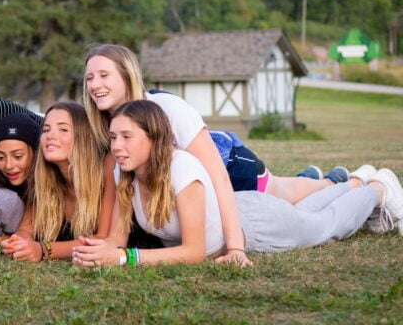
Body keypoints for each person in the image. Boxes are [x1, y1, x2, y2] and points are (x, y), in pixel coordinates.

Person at [82, 43, 340, 264]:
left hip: (230, 165)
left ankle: (331, 182)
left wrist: (236, 246)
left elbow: (218, 178)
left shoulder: (168, 108)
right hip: (193, 189)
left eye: (104, 75)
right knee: (286, 196)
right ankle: (314, 178)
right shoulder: (107, 124)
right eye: (90, 78)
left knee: (284, 195)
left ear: (127, 76)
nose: (95, 84)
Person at [72, 100, 403, 268]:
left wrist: (126, 259)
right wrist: (97, 253)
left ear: (153, 137)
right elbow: (116, 239)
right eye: (114, 137)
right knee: (307, 212)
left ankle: (377, 189)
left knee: (323, 226)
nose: (116, 146)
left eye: (127, 137)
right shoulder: (124, 174)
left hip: (255, 225)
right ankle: (354, 181)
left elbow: (192, 252)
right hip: (248, 210)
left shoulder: (181, 169)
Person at [1, 102, 116, 262]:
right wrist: (18, 243)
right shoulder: (45, 179)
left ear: (83, 137)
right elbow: (26, 228)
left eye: (63, 129)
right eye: (46, 129)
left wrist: (43, 250)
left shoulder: (106, 174)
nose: (50, 135)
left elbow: (102, 238)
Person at [0, 113, 41, 201]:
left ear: (35, 154)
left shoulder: (54, 190)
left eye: (17, 156)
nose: (8, 166)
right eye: (0, 157)